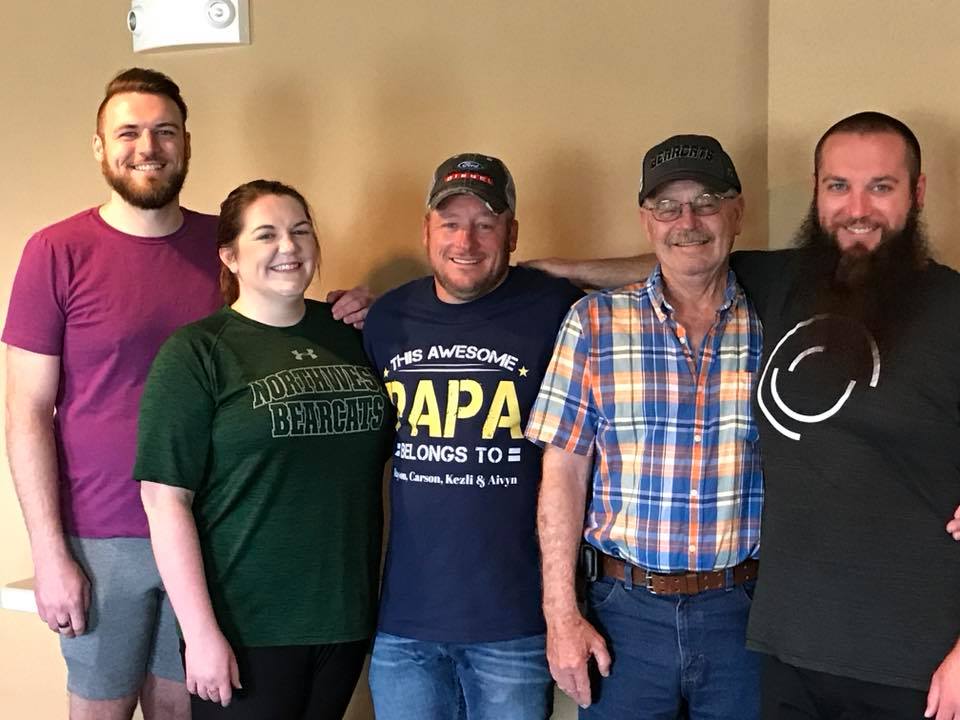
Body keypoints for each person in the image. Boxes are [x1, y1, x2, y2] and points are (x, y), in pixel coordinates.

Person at [528, 114, 960, 719]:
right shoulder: (614, 318)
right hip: (718, 633)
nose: (857, 208)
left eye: (881, 186)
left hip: (818, 636)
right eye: (839, 186)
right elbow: (683, 257)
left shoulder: (800, 302)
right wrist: (555, 274)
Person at [2, 68, 369, 720]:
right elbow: (26, 412)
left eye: (164, 131)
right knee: (100, 710)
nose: (148, 147)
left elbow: (274, 333)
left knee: (186, 709)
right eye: (129, 133)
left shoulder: (227, 244)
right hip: (102, 536)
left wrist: (353, 311)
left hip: (214, 538)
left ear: (185, 143)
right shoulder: (56, 251)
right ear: (100, 147)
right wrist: (49, 552)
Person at [525, 134, 764, 719]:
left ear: (737, 213)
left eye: (706, 202)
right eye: (667, 206)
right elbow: (564, 474)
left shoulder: (776, 322)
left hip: (747, 615)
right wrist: (561, 616)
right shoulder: (594, 323)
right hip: (624, 614)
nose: (688, 221)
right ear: (646, 220)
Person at [134, 179, 392, 718]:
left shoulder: (354, 336)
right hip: (246, 625)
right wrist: (200, 633)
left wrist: (381, 313)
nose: (289, 247)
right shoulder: (197, 352)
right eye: (266, 234)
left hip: (344, 616)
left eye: (301, 231)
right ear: (230, 255)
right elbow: (164, 500)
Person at [362, 153, 583, 720]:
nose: (466, 240)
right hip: (404, 624)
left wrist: (564, 269)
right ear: (426, 230)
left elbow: (676, 268)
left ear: (513, 234)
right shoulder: (387, 318)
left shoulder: (557, 308)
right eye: (450, 223)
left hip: (513, 624)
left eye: (486, 224)